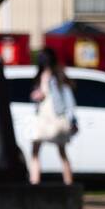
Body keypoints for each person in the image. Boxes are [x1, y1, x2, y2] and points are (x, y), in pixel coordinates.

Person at [27, 46, 78, 185]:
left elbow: (68, 101)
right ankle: (34, 182)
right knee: (36, 150)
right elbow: (38, 96)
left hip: (55, 118)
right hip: (42, 118)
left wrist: (72, 120)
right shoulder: (40, 76)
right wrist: (37, 96)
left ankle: (68, 184)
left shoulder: (58, 77)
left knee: (61, 151)